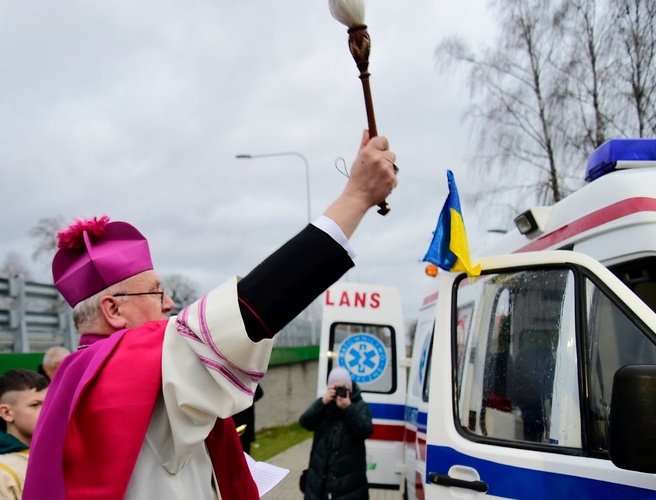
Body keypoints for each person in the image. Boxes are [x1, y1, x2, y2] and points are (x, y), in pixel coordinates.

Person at [24, 130, 397, 500]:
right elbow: (252, 310)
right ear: (113, 309)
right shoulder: (124, 366)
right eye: (156, 291)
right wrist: (356, 197)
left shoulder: (77, 375)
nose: (168, 303)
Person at [299, 366, 373, 500]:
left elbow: (366, 430)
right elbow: (305, 422)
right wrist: (322, 402)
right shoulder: (324, 406)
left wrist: (348, 408)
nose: (340, 391)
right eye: (335, 387)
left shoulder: (360, 406)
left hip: (349, 484)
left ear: (350, 388)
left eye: (343, 387)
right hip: (320, 481)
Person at [0, 369, 49, 499]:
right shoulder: (3, 469)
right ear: (6, 413)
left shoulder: (62, 454)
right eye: (35, 405)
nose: (47, 411)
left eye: (50, 403)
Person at [232, 383, 264, 454]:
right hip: (236, 421)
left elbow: (259, 393)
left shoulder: (247, 380)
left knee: (244, 449)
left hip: (243, 421)